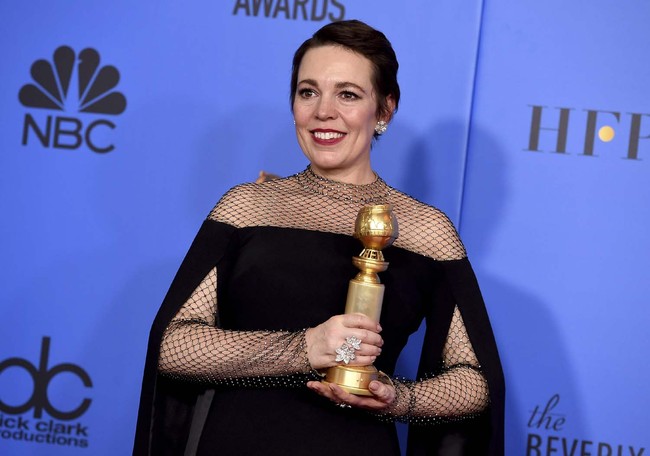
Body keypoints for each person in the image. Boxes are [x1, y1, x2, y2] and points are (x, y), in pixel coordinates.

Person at [133, 19, 504, 456]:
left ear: (384, 110)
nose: (322, 111)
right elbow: (173, 345)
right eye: (308, 92)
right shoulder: (247, 206)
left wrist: (398, 397)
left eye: (347, 94)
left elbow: (474, 380)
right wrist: (304, 347)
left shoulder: (425, 231)